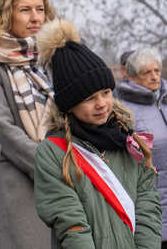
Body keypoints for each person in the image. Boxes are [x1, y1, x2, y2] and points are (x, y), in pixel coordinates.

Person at [34, 19, 161, 248]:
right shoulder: (53, 152)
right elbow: (69, 221)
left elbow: (147, 208)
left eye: (105, 92)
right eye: (89, 98)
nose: (102, 103)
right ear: (69, 105)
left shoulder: (128, 140)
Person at [0, 0, 55, 248]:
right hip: (19, 180)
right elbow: (2, 128)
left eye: (40, 9)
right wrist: (50, 165)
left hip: (67, 176)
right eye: (25, 10)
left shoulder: (52, 57)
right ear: (6, 13)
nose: (35, 17)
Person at [115, 48, 167, 247]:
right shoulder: (122, 108)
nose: (154, 77)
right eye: (147, 72)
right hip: (150, 197)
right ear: (132, 77)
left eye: (157, 71)